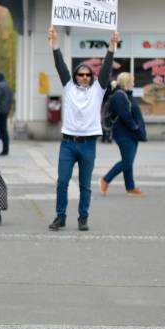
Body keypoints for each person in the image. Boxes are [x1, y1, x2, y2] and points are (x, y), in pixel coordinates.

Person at [47, 26, 116, 232]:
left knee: (85, 185)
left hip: (88, 144)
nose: (85, 77)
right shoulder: (68, 87)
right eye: (81, 74)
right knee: (62, 181)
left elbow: (106, 68)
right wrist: (54, 43)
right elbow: (60, 65)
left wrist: (112, 47)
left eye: (88, 74)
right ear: (75, 76)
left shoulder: (98, 90)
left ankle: (83, 218)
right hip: (68, 144)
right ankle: (60, 216)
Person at [100, 72, 147, 196]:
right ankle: (106, 179)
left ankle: (130, 187)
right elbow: (125, 115)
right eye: (132, 81)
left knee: (128, 161)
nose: (134, 84)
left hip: (130, 133)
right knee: (127, 161)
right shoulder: (120, 95)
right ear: (127, 82)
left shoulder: (126, 94)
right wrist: (135, 127)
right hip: (124, 134)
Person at [0, 72, 14, 156]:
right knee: (4, 129)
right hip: (6, 111)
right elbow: (12, 99)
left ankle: (3, 144)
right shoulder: (8, 86)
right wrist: (8, 109)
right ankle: (6, 149)